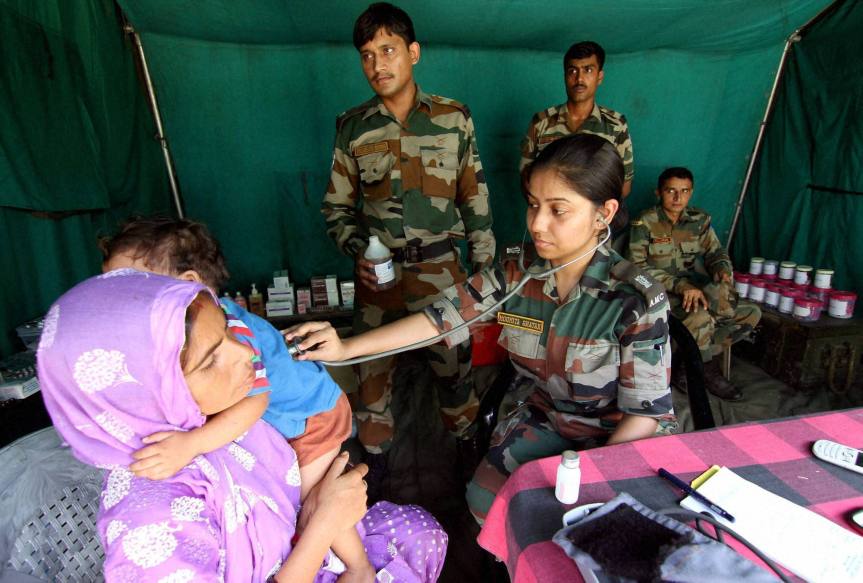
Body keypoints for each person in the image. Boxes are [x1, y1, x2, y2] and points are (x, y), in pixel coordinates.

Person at [294, 134, 674, 524]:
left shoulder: (635, 300)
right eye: (533, 205)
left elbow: (644, 415)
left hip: (617, 439)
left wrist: (590, 480)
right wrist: (345, 347)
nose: (537, 224)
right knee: (486, 504)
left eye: (558, 210)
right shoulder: (516, 272)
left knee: (591, 524)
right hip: (547, 421)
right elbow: (438, 318)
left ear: (604, 213)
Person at [37, 271, 447, 582]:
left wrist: (327, 521)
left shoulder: (219, 418)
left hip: (306, 552)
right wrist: (324, 524)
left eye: (229, 333)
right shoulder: (151, 523)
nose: (243, 355)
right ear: (145, 393)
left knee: (420, 532)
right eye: (210, 359)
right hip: (306, 555)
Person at [99, 217, 369, 576]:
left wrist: (190, 444)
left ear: (188, 284)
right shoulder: (189, 331)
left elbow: (254, 400)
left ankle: (358, 566)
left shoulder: (229, 332)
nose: (117, 299)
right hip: (299, 407)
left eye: (130, 286)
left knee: (314, 499)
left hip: (314, 415)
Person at [321, 2, 495, 490]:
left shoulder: (453, 118)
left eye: (388, 50)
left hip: (443, 276)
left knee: (456, 378)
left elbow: (474, 197)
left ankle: (467, 461)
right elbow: (335, 209)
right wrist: (358, 249)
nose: (377, 64)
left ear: (413, 53)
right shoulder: (353, 127)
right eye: (367, 55)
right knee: (369, 383)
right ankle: (373, 476)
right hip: (379, 284)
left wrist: (483, 276)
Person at [627, 167, 761, 401]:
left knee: (750, 313)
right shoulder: (645, 222)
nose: (678, 198)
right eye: (671, 191)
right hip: (659, 294)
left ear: (691, 193)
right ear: (658, 192)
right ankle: (705, 369)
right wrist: (679, 285)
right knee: (699, 318)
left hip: (693, 291)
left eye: (684, 191)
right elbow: (635, 267)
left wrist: (722, 269)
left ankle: (685, 362)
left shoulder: (699, 220)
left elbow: (715, 251)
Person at [519, 41, 634, 199]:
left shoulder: (616, 125)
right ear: (565, 76)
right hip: (553, 217)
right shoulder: (542, 122)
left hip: (595, 219)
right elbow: (526, 177)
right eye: (572, 71)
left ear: (599, 77)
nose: (579, 79)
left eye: (588, 70)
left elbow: (624, 185)